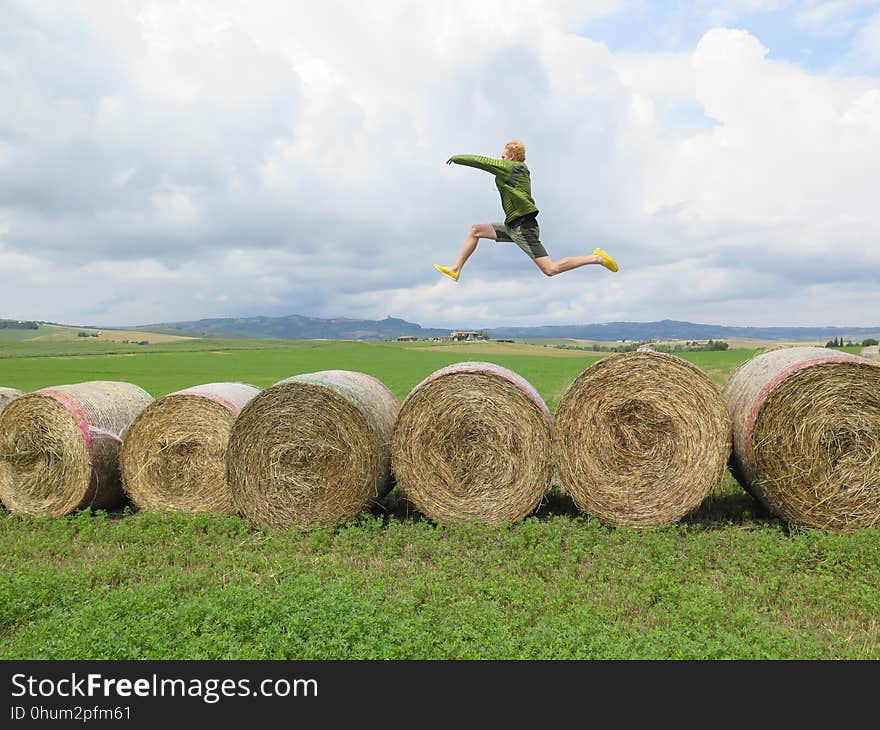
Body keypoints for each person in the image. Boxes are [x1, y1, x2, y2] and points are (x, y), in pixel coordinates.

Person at [434, 140, 618, 281]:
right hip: (513, 226)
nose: (501, 159)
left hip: (524, 228)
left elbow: (482, 162)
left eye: (503, 156)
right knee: (476, 230)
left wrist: (457, 158)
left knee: (550, 269)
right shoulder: (514, 169)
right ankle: (455, 269)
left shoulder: (514, 168)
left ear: (512, 156)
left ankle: (596, 258)